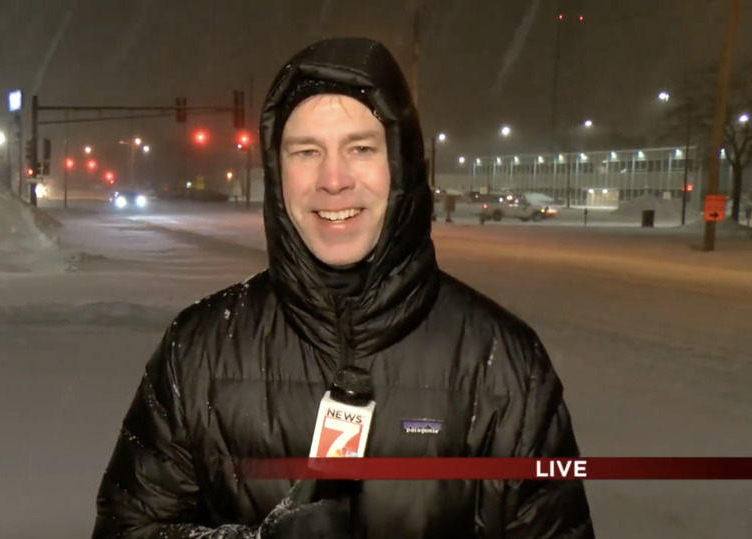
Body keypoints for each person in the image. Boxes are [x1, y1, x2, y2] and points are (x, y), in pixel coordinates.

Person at [90, 37, 594, 539]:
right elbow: (128, 529)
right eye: (307, 151)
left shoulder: (506, 365)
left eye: (360, 148)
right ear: (276, 172)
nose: (333, 179)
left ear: (402, 164)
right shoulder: (197, 351)